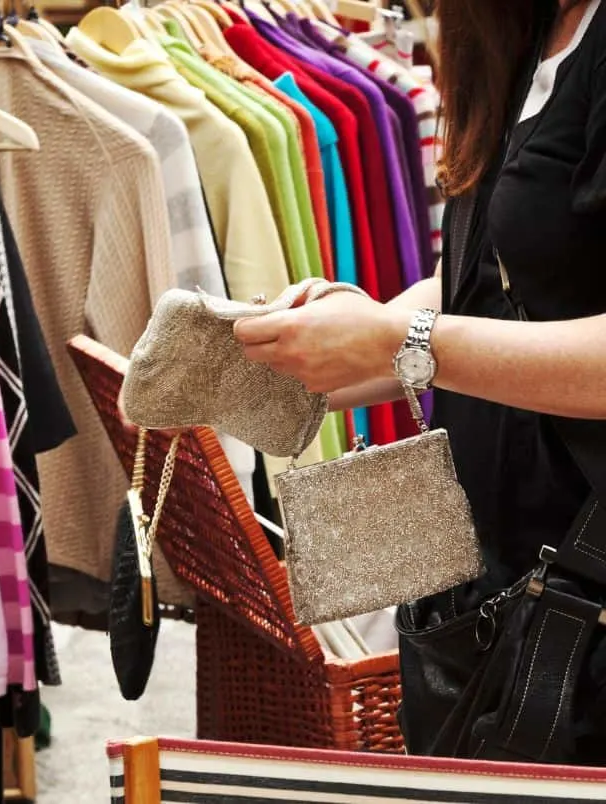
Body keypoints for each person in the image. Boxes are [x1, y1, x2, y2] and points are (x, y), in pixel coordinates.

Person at [234, 0, 606, 764]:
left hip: (584, 596)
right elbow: (493, 272)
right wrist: (344, 335)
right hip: (496, 581)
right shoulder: (519, 31)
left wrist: (400, 342)